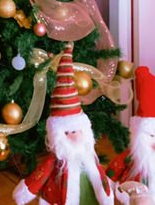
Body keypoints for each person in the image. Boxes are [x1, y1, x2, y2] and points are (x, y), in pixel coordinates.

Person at [13, 42, 114, 205]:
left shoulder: (89, 155)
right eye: (67, 133)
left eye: (75, 131)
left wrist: (109, 188)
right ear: (57, 135)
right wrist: (26, 190)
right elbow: (41, 175)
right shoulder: (56, 160)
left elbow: (99, 175)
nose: (73, 136)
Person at [108, 66, 155, 202]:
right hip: (133, 195)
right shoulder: (131, 156)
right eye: (152, 136)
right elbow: (114, 169)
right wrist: (108, 183)